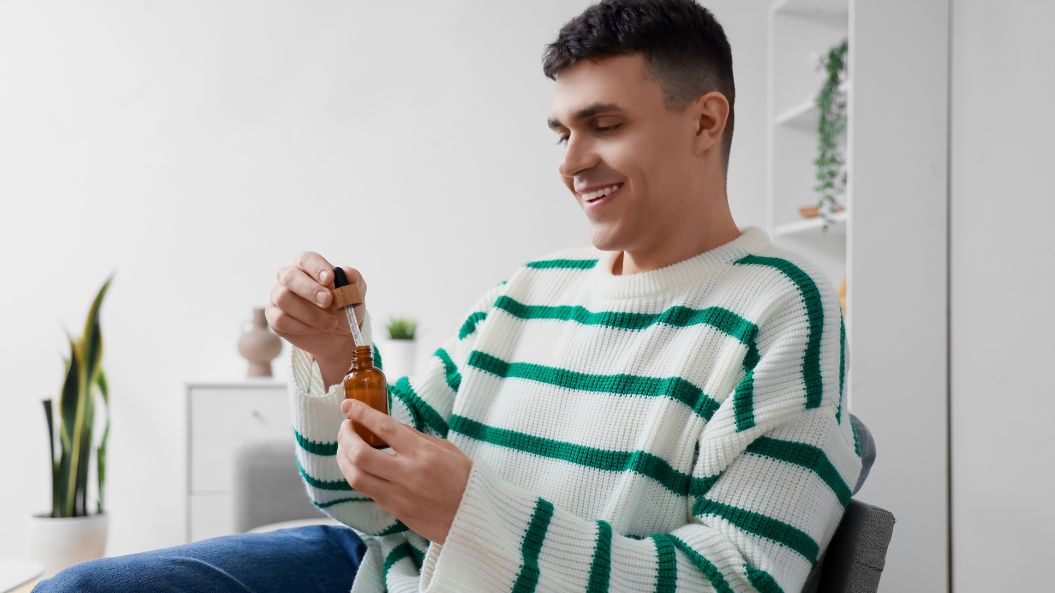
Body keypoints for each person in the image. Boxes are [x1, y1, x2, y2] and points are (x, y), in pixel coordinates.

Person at [36, 1, 861, 592]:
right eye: (561, 131)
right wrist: (333, 361)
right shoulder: (525, 293)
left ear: (706, 122)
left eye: (603, 124)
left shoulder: (781, 307)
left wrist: (473, 511)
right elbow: (356, 497)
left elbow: (739, 577)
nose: (572, 161)